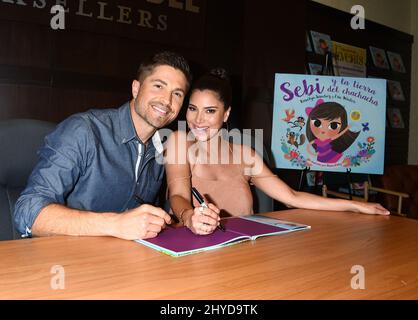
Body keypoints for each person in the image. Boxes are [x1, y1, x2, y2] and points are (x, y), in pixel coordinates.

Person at [165, 68, 390, 236]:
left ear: (226, 115)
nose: (198, 119)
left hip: (242, 251)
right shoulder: (180, 142)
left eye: (210, 111)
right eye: (192, 109)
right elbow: (178, 195)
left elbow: (291, 197)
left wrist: (356, 205)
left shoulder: (246, 155)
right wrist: (189, 217)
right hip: (193, 249)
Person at [13, 51, 191, 240]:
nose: (167, 100)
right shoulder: (84, 130)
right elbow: (27, 213)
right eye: (158, 86)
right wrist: (116, 224)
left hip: (123, 260)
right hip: (66, 260)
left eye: (177, 94)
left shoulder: (164, 145)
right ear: (136, 88)